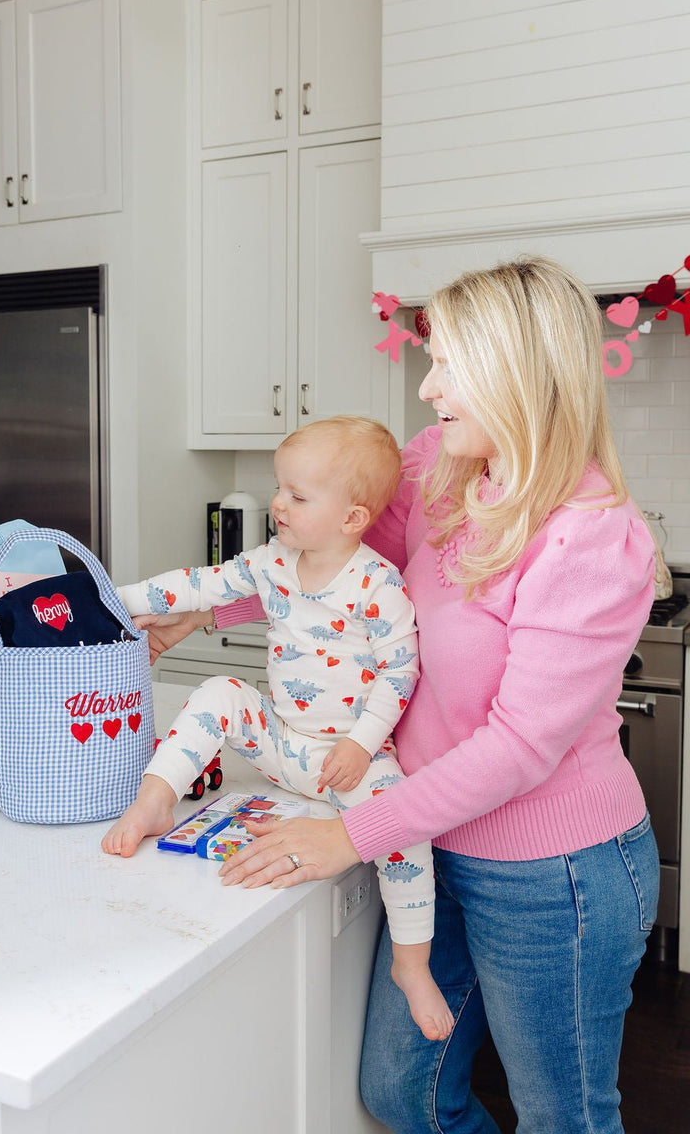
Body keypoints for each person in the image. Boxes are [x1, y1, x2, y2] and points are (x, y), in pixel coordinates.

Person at [150, 258, 660, 1134]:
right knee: (401, 1093)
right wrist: (201, 612)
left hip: (554, 875)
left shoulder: (593, 538)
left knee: (564, 1118)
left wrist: (348, 834)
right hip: (433, 835)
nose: (425, 390)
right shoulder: (436, 468)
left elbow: (518, 749)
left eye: (447, 364)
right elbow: (330, 568)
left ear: (514, 371)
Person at [103, 416, 454, 1041]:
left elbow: (401, 672)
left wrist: (360, 743)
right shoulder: (271, 563)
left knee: (406, 836)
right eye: (279, 488)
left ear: (351, 517)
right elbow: (196, 585)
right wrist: (108, 599)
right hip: (285, 744)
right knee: (219, 692)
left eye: (297, 494)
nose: (277, 504)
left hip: (354, 760)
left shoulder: (378, 584)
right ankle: (156, 801)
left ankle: (412, 963)